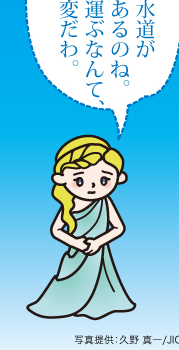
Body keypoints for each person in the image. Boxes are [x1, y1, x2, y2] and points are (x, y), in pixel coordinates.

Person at [27, 135, 136, 320]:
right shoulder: (69, 205)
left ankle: (99, 305)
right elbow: (56, 230)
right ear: (61, 179)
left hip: (98, 251)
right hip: (78, 252)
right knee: (70, 280)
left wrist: (99, 242)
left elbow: (118, 227)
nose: (93, 186)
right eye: (79, 180)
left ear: (119, 177)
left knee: (101, 281)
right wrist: (77, 243)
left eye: (103, 180)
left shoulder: (105, 201)